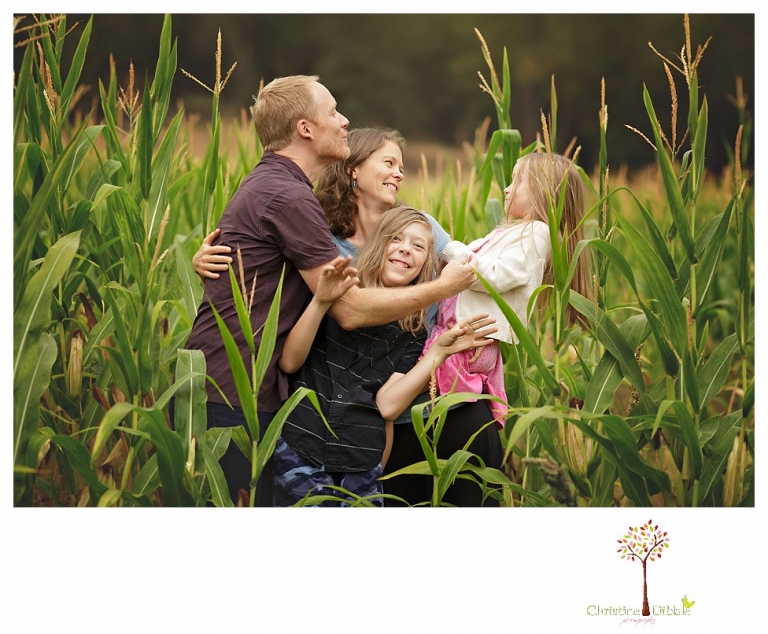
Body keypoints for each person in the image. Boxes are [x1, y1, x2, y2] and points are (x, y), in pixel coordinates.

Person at [184, 86, 476, 506]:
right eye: (335, 112)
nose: (345, 122)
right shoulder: (302, 205)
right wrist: (444, 287)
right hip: (261, 395)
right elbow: (349, 310)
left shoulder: (414, 225)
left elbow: (475, 262)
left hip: (350, 411)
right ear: (305, 128)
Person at [384, 151, 591, 505]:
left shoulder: (538, 233)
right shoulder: (511, 232)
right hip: (457, 336)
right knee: (403, 388)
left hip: (469, 343)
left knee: (411, 397)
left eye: (517, 182)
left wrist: (447, 248)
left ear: (542, 193)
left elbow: (490, 276)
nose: (507, 189)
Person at [272, 207, 497, 506]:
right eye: (396, 239)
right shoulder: (342, 296)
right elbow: (289, 362)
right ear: (378, 245)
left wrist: (439, 351)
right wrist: (321, 302)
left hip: (360, 462)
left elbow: (388, 406)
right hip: (302, 448)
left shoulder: (413, 331)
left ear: (424, 265)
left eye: (418, 246)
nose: (406, 249)